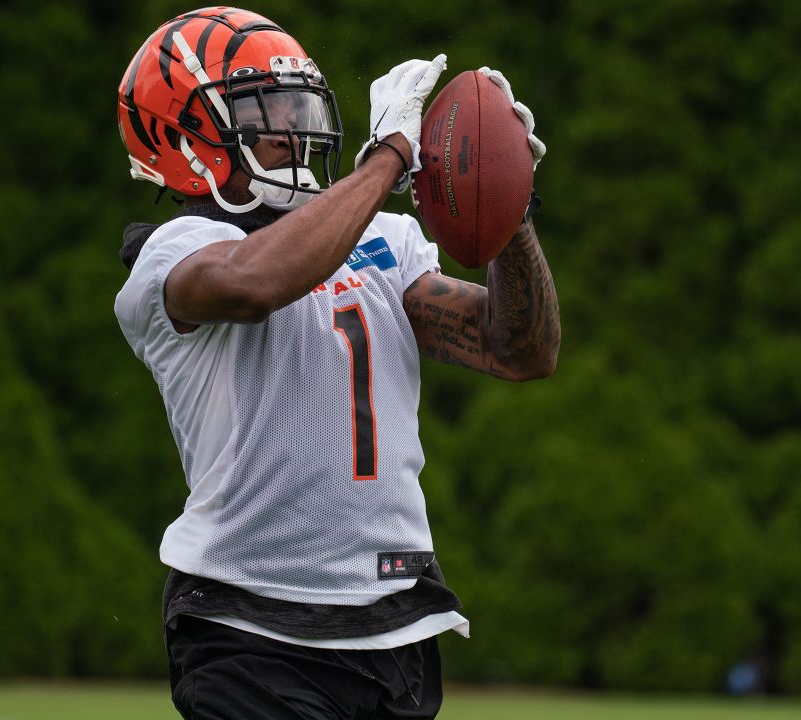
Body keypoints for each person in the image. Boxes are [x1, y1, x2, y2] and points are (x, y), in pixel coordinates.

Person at [114, 7, 559, 718]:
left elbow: (521, 351)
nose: (293, 126)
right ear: (182, 134)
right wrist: (388, 156)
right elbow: (257, 282)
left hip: (396, 624)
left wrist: (511, 207)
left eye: (297, 103)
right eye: (264, 109)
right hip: (251, 631)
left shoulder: (383, 237)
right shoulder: (170, 255)